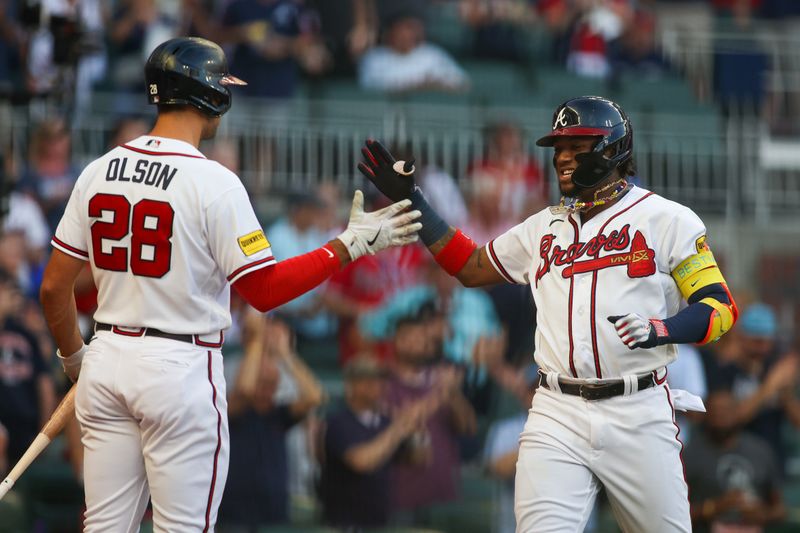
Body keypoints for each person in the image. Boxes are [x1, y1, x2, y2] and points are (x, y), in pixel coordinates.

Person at [38, 36, 421, 532]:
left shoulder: (99, 169)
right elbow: (263, 290)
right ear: (205, 93)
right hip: (180, 368)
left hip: (107, 356)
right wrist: (346, 246)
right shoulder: (214, 181)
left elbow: (53, 289)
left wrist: (74, 359)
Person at [358, 95, 739, 531]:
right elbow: (468, 266)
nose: (561, 157)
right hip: (557, 410)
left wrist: (662, 329)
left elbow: (720, 308)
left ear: (611, 149)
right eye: (558, 148)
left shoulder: (667, 220)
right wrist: (416, 203)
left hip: (638, 408)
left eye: (576, 147)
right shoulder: (544, 225)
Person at [218, 314, 324, 530]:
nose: (267, 389)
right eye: (262, 382)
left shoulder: (278, 414)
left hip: (273, 511)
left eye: (271, 384)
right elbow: (245, 391)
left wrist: (286, 355)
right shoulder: (232, 411)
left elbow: (314, 396)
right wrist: (256, 342)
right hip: (232, 512)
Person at [319, 356, 426, 529]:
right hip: (343, 522)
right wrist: (398, 429)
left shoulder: (385, 422)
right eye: (368, 381)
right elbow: (360, 462)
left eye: (380, 380)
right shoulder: (337, 421)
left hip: (379, 519)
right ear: (352, 385)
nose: (377, 386)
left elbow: (418, 459)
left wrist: (419, 433)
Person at [684, 389, 786, 532]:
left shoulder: (760, 450)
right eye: (715, 410)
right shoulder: (689, 455)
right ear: (705, 415)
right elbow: (675, 513)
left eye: (726, 409)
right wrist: (714, 508)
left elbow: (780, 510)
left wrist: (763, 514)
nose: (721, 415)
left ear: (737, 412)